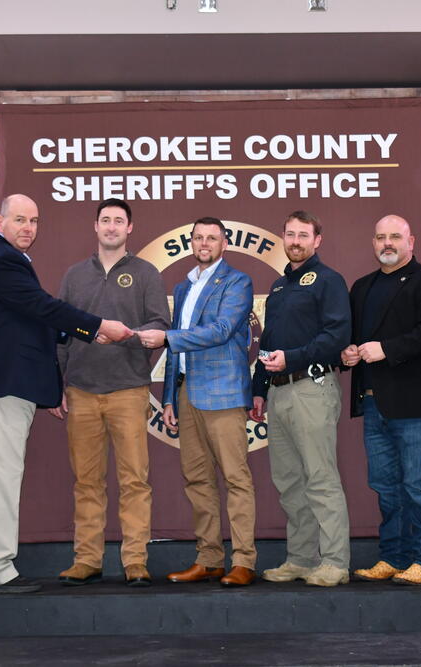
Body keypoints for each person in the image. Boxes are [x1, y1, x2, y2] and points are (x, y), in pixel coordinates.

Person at [0, 193, 132, 595]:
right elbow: (42, 307)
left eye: (34, 221)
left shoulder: (4, 259)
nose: (28, 228)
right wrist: (98, 325)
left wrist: (83, 334)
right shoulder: (2, 259)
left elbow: (30, 320)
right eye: (19, 219)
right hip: (0, 385)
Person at [48, 198, 170, 588]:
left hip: (129, 390)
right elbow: (61, 333)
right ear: (95, 226)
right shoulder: (74, 275)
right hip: (81, 391)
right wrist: (57, 384)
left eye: (119, 221)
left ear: (130, 228)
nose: (112, 227)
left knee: (135, 480)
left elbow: (158, 325)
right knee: (87, 481)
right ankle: (87, 559)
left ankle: (135, 561)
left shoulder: (146, 272)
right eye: (106, 220)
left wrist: (126, 335)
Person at [137, 217, 257, 587]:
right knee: (197, 480)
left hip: (223, 392)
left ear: (224, 244)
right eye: (198, 237)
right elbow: (177, 350)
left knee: (236, 478)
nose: (204, 243)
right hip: (187, 393)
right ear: (191, 242)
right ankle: (208, 559)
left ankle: (244, 561)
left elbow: (221, 331)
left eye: (212, 238)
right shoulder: (183, 287)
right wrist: (169, 397)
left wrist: (168, 336)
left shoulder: (238, 282)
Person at [341, 214, 421, 585]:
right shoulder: (362, 287)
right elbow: (354, 337)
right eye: (380, 238)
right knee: (385, 487)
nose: (386, 243)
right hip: (373, 403)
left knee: (419, 485)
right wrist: (349, 353)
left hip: (416, 404)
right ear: (373, 243)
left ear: (411, 241)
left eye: (395, 237)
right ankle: (393, 556)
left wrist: (385, 349)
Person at [249, 210, 352, 587]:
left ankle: (335, 561)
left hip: (312, 388)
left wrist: (292, 358)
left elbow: (337, 336)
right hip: (278, 394)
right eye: (290, 234)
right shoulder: (278, 287)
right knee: (290, 481)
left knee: (320, 478)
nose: (296, 240)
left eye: (303, 235)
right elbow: (268, 343)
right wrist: (258, 390)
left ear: (316, 240)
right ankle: (302, 558)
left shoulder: (329, 281)